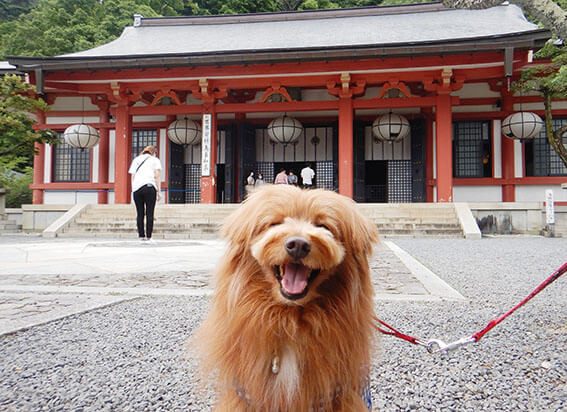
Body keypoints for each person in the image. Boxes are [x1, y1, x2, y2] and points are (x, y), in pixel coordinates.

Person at [128, 145, 162, 243]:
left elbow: (132, 176)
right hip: (149, 186)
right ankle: (149, 237)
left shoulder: (136, 160)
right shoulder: (155, 160)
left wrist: (133, 189)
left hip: (137, 189)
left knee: (140, 213)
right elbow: (157, 176)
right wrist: (159, 191)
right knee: (149, 213)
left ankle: (141, 236)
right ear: (154, 153)